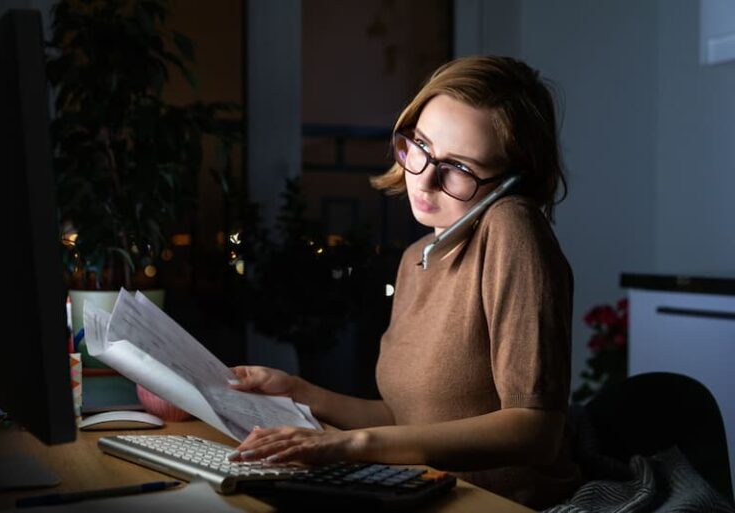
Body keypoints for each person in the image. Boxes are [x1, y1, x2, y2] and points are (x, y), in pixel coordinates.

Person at [229, 55, 581, 509]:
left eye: (459, 168)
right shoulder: (417, 257)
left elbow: (537, 431)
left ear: (509, 183)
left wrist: (355, 446)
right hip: (423, 491)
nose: (425, 178)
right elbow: (405, 417)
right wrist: (299, 392)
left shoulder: (512, 227)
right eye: (421, 145)